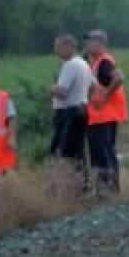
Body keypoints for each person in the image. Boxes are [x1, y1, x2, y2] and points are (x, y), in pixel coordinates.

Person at [83, 30, 128, 193]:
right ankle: (108, 189)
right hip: (100, 116)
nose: (86, 45)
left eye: (90, 41)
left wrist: (105, 96)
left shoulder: (104, 62)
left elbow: (119, 77)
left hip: (104, 116)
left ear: (100, 44)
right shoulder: (95, 62)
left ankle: (108, 190)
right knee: (104, 153)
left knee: (103, 155)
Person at [50, 35, 93, 164]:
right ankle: (81, 175)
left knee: (64, 150)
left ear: (69, 47)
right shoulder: (84, 64)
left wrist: (52, 89)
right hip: (81, 110)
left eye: (59, 47)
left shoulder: (70, 65)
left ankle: (68, 174)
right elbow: (93, 87)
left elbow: (63, 92)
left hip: (68, 113)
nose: (56, 51)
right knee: (78, 149)